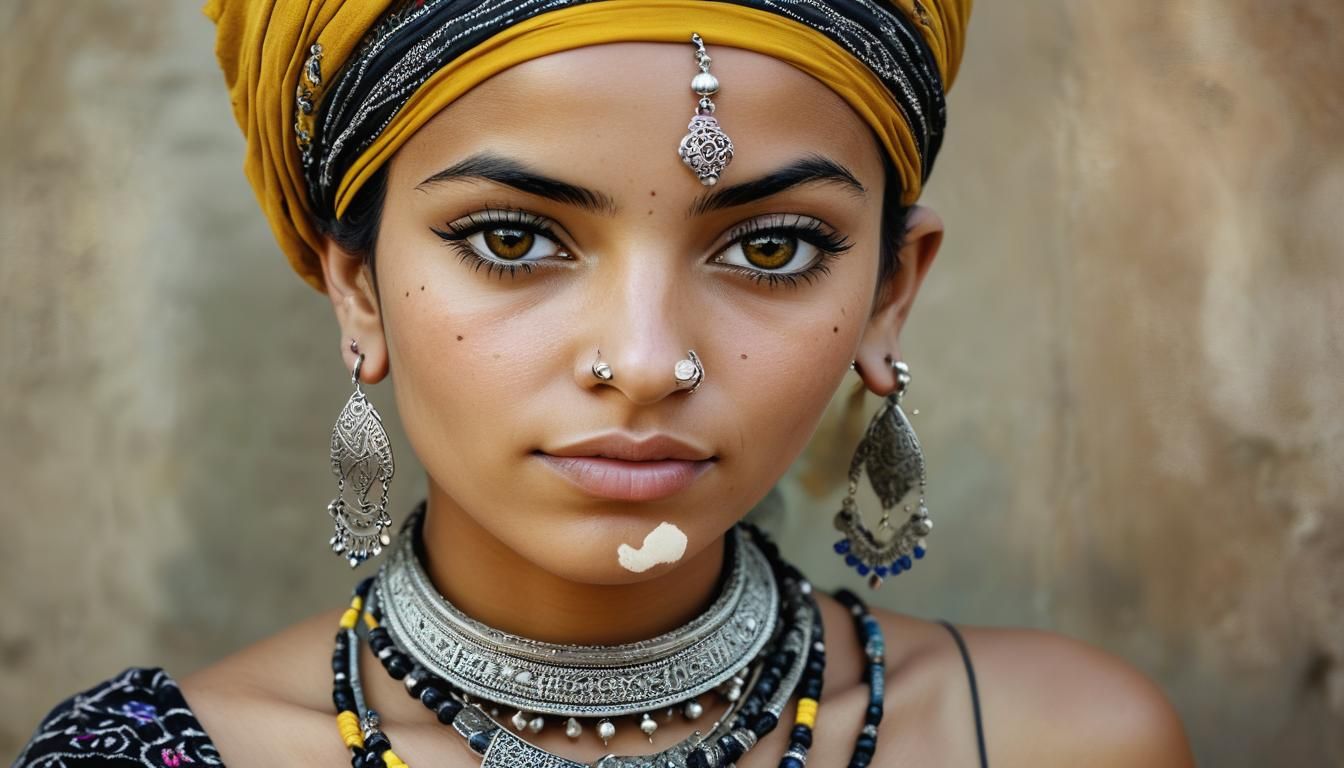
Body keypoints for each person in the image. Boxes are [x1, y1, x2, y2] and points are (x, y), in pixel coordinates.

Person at [16, 1, 1197, 766]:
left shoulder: (1060, 741)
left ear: (892, 290)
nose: (644, 364)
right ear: (359, 287)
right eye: (515, 240)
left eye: (772, 247)